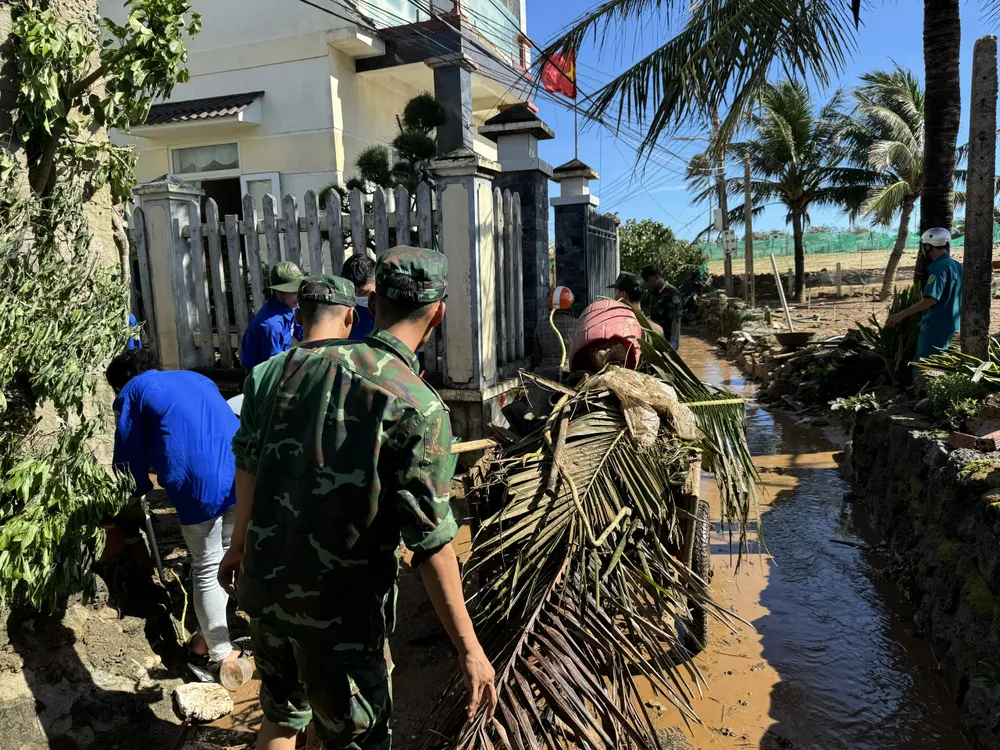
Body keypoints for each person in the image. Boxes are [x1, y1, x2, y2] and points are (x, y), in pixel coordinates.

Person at [220, 247, 496, 750]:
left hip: (266, 590)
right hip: (338, 620)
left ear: (372, 306)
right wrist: (469, 647)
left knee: (281, 719)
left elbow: (250, 466)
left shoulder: (285, 368)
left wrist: (238, 546)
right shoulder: (415, 404)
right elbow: (431, 544)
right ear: (439, 312)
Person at [106, 349, 240, 669]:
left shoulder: (132, 391)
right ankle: (209, 639)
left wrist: (135, 490)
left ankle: (217, 655)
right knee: (232, 551)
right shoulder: (195, 376)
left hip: (199, 482)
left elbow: (128, 451)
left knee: (207, 563)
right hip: (242, 471)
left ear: (121, 382)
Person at [885, 227, 963, 360]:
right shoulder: (957, 266)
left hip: (936, 326)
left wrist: (900, 315)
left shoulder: (939, 267)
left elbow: (931, 299)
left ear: (928, 246)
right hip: (954, 324)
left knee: (925, 366)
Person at [239, 261, 305, 370]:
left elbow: (303, 333)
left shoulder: (289, 307)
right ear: (279, 291)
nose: (299, 296)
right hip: (260, 378)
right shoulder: (271, 325)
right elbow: (274, 366)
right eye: (294, 292)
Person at [532, 286, 578, 378]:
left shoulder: (540, 325)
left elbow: (537, 356)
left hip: (544, 375)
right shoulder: (577, 324)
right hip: (570, 373)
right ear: (570, 306)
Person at [641, 264, 683, 350]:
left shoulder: (672, 293)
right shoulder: (652, 293)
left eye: (647, 280)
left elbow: (676, 319)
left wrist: (674, 340)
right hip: (655, 339)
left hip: (667, 341)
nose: (646, 283)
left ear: (656, 277)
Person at [609, 272, 664, 336]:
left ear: (623, 295)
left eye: (615, 292)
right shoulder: (657, 330)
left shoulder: (616, 328)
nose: (614, 297)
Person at [342, 253, 377, 341]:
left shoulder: (391, 312)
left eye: (362, 292)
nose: (356, 297)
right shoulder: (347, 313)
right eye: (352, 292)